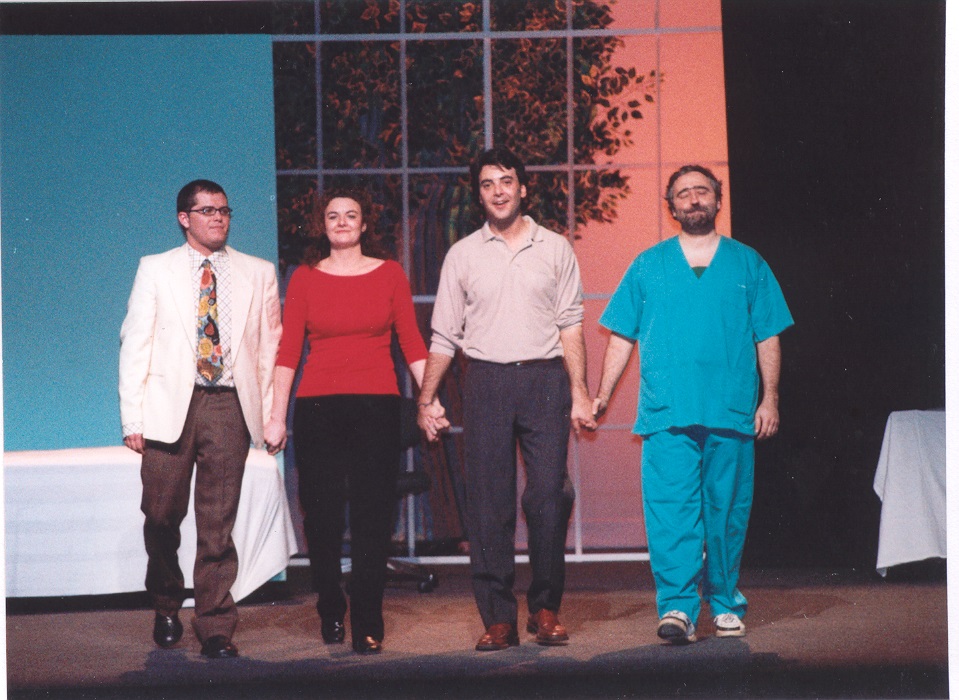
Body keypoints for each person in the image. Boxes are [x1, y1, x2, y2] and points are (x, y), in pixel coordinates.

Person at [592, 164, 794, 644]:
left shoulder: (748, 264)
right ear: (672, 207)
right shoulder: (648, 265)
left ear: (718, 200)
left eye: (702, 190)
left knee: (726, 511)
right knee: (670, 512)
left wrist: (770, 398)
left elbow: (767, 335)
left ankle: (724, 602)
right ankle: (678, 607)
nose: (693, 199)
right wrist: (602, 395)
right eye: (683, 193)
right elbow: (621, 336)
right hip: (668, 410)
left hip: (731, 409)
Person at [416, 146, 595, 652]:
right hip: (487, 382)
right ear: (480, 195)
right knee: (488, 503)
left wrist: (580, 392)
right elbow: (444, 336)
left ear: (523, 187)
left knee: (548, 497)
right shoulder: (463, 254)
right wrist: (426, 399)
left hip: (544, 380)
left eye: (506, 181)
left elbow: (571, 325)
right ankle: (498, 618)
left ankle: (545, 608)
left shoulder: (554, 248)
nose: (498, 191)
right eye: (488, 184)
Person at [263, 187, 434, 655]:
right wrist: (276, 417)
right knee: (321, 517)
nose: (341, 222)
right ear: (324, 226)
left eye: (350, 215)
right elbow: (288, 352)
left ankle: (368, 619)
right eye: (333, 216)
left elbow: (412, 342)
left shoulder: (389, 273)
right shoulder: (304, 278)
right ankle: (330, 606)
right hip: (318, 408)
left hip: (376, 407)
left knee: (372, 516)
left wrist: (430, 399)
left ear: (364, 224)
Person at [119, 179, 282, 659]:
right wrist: (132, 417)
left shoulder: (258, 272)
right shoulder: (156, 268)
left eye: (224, 210)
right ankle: (166, 599)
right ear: (184, 218)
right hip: (169, 405)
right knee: (160, 515)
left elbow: (269, 351)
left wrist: (271, 416)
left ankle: (215, 625)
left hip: (229, 404)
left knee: (218, 523)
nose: (218, 218)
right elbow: (136, 341)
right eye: (207, 210)